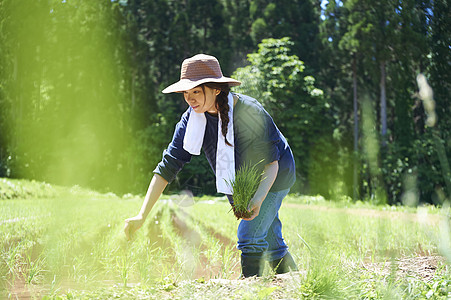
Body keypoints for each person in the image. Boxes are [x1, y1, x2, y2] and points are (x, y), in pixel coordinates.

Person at [124, 54, 298, 278]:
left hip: (275, 176)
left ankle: (249, 291)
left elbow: (271, 164)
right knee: (272, 242)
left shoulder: (249, 112)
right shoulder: (192, 120)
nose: (189, 98)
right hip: (242, 183)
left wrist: (258, 199)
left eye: (196, 91)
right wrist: (142, 215)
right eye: (186, 93)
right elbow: (167, 166)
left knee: (250, 237)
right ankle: (295, 285)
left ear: (217, 89)